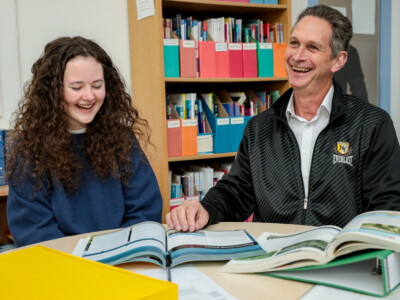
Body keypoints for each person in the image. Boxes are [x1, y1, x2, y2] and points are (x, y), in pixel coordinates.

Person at [167, 4, 400, 232]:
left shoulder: (371, 125)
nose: (298, 56)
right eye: (294, 43)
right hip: (271, 258)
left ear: (338, 60)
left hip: (340, 262)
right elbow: (236, 191)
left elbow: (386, 208)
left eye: (312, 48)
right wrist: (206, 208)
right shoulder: (259, 128)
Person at [6, 36, 163, 247]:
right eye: (77, 87)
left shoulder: (123, 140)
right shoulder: (28, 151)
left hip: (124, 260)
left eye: (97, 85)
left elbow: (145, 211)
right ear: (53, 91)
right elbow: (34, 231)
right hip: (64, 267)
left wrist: (121, 252)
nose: (89, 96)